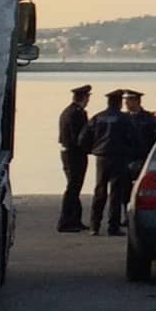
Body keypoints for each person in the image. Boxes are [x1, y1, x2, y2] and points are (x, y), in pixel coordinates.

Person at [87, 89, 135, 236]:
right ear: (119, 102)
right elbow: (133, 137)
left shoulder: (98, 117)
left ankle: (94, 226)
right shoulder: (125, 118)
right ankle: (113, 227)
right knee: (116, 193)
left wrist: (92, 149)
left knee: (100, 190)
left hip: (101, 157)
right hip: (119, 157)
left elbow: (84, 136)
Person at [56, 84, 92, 232]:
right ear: (84, 98)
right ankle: (65, 221)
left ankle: (75, 219)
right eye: (87, 97)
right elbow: (80, 137)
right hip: (75, 154)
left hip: (68, 152)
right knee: (73, 187)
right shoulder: (78, 113)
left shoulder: (67, 111)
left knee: (74, 187)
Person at [123, 89, 156, 175]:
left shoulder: (148, 117)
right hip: (126, 158)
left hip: (142, 157)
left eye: (128, 100)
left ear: (137, 101)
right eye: (125, 100)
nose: (126, 103)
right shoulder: (123, 117)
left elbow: (154, 137)